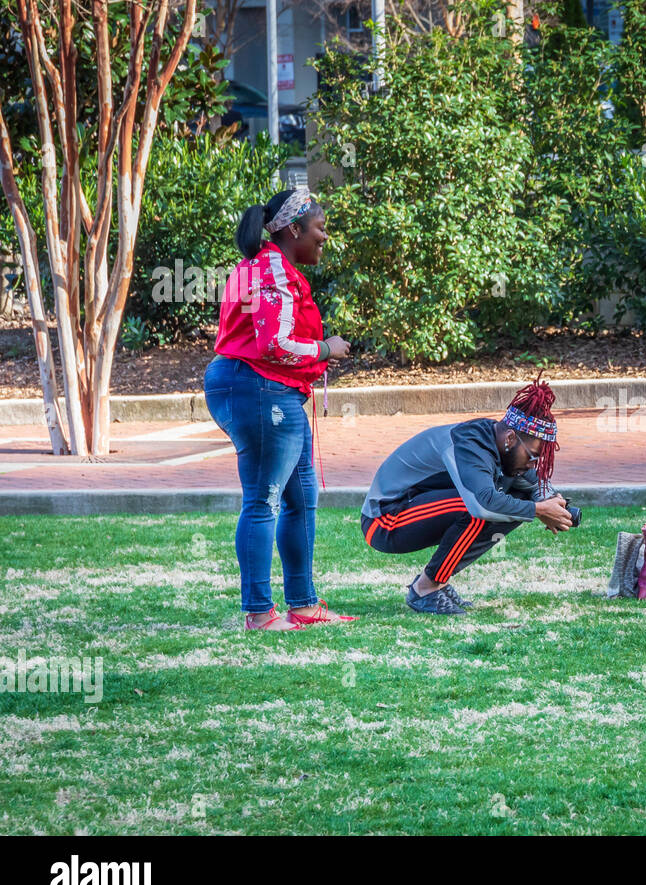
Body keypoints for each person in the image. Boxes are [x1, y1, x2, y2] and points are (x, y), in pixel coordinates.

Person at [203, 188, 355, 631]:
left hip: (268, 388)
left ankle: (303, 605)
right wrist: (327, 347)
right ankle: (259, 614)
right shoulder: (272, 271)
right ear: (294, 229)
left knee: (300, 496)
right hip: (258, 387)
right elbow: (275, 343)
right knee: (264, 499)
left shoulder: (266, 266)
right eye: (320, 229)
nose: (324, 238)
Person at [361, 377, 575, 615]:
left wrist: (552, 502)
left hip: (413, 509)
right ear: (511, 439)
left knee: (518, 501)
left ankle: (437, 582)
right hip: (383, 520)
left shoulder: (501, 443)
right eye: (533, 457)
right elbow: (481, 505)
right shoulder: (469, 445)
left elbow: (535, 485)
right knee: (479, 507)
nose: (533, 464)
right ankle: (425, 588)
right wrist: (539, 510)